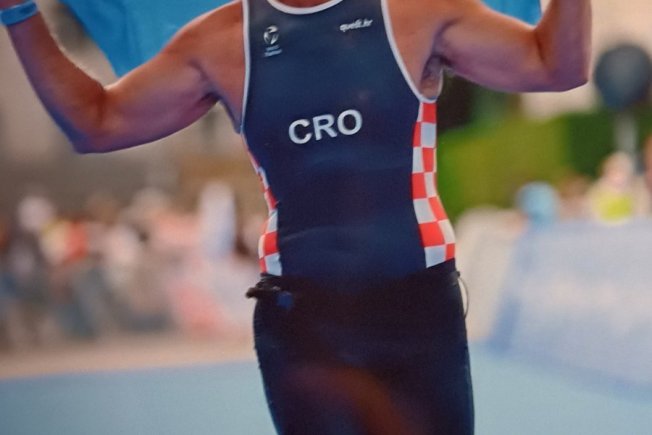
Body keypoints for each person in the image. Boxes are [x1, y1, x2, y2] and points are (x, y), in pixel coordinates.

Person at [1, 0, 592, 433]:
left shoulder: (415, 13)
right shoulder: (221, 40)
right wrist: (19, 13)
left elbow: (556, 65)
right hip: (306, 327)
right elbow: (96, 123)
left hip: (416, 313)